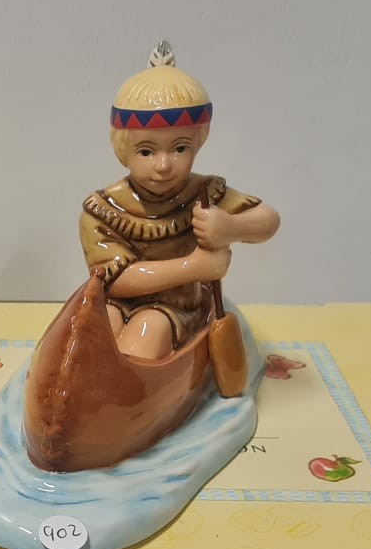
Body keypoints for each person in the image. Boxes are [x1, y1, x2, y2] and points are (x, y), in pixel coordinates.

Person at [79, 42, 280, 360]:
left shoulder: (205, 194)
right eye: (147, 151)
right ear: (122, 149)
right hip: (117, 303)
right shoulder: (104, 209)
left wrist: (229, 227)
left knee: (149, 329)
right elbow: (113, 280)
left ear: (199, 142)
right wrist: (194, 266)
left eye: (180, 148)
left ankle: (136, 389)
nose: (163, 165)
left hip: (179, 308)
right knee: (98, 329)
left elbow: (268, 220)